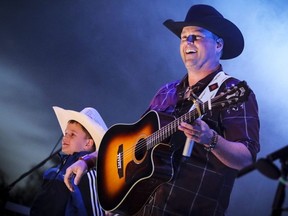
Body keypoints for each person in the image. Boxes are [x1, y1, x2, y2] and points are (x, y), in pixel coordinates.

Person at [64, 4, 260, 216]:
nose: (188, 42)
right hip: (140, 208)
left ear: (219, 44)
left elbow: (246, 157)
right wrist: (88, 160)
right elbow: (129, 145)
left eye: (197, 36)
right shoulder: (167, 91)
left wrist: (210, 138)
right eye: (184, 37)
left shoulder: (231, 91)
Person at [30, 106, 107, 216]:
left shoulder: (85, 173)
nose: (65, 138)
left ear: (88, 143)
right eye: (65, 133)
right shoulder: (55, 171)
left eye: (72, 134)